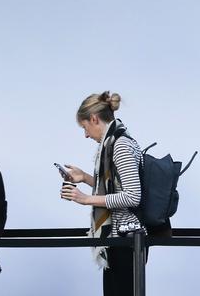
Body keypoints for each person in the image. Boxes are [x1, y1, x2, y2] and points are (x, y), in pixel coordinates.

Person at [60, 91, 143, 296]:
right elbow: (117, 186)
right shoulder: (112, 143)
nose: (86, 135)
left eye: (85, 127)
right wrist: (87, 178)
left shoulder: (120, 145)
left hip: (126, 240)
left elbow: (133, 195)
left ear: (94, 118)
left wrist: (86, 199)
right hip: (119, 239)